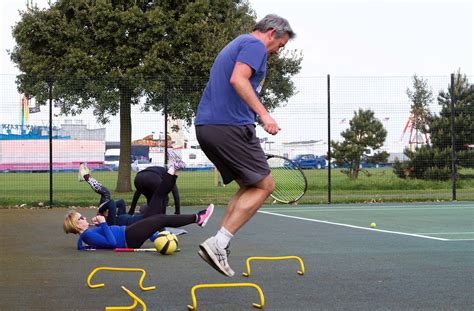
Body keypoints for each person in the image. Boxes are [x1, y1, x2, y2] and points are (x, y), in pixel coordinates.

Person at [194, 14, 295, 277]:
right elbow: (238, 79)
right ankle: (219, 243)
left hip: (208, 127)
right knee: (266, 185)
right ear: (271, 32)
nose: (278, 52)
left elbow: (233, 87)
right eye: (280, 46)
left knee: (250, 186)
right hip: (229, 127)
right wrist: (264, 114)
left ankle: (218, 244)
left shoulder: (237, 44)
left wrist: (252, 114)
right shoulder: (255, 46)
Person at [78, 149, 186, 226]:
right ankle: (174, 168)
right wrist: (101, 212)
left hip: (139, 181)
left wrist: (129, 211)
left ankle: (87, 177)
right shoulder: (112, 223)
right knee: (160, 197)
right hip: (143, 219)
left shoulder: (117, 217)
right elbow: (111, 204)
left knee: (105, 192)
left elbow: (120, 202)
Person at [63, 204, 214, 250]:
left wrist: (102, 225)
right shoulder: (87, 235)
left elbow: (108, 235)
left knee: (156, 219)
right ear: (77, 225)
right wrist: (103, 223)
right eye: (81, 218)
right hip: (129, 238)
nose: (84, 218)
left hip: (128, 233)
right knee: (160, 219)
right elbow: (111, 243)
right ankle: (198, 218)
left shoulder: (88, 233)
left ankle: (156, 236)